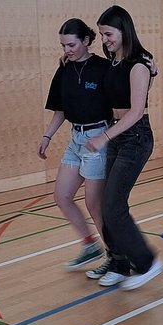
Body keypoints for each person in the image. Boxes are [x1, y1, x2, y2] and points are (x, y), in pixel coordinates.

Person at [84, 5, 163, 290]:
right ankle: (119, 263)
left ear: (124, 31)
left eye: (109, 34)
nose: (105, 39)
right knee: (107, 204)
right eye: (102, 34)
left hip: (135, 138)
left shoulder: (138, 64)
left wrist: (103, 138)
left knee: (114, 205)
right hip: (119, 136)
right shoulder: (115, 62)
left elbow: (136, 111)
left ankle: (147, 262)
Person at [39, 18, 111, 270]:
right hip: (76, 140)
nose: (66, 50)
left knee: (94, 204)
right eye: (63, 45)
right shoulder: (64, 70)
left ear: (86, 41)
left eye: (71, 45)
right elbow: (59, 110)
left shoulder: (103, 68)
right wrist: (47, 136)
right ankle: (90, 245)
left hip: (97, 139)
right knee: (62, 196)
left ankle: (115, 256)